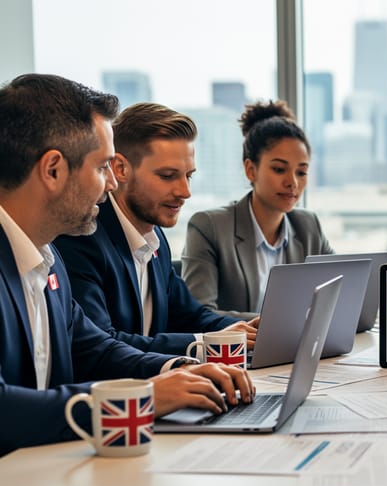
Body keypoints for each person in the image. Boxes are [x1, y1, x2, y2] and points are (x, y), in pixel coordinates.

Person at [0, 73, 254, 455]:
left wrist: (176, 372)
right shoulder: (62, 252)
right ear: (53, 170)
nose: (111, 184)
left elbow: (94, 349)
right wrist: (145, 397)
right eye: (102, 167)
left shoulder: (47, 261)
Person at [53, 103, 258, 355]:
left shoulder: (154, 236)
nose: (185, 192)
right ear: (120, 169)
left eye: (188, 176)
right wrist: (205, 342)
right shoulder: (82, 237)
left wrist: (249, 330)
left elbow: (189, 316)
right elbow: (101, 344)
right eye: (168, 176)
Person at [181, 100, 333, 320]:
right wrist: (277, 323)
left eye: (301, 172)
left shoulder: (308, 226)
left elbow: (341, 292)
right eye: (279, 169)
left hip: (297, 350)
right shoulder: (210, 227)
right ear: (251, 170)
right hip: (239, 353)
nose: (292, 182)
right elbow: (199, 314)